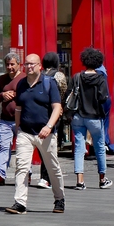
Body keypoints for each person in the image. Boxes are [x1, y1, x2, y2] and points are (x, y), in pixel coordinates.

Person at [5, 54, 65, 215]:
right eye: (27, 64)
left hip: (45, 133)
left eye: (33, 64)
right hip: (25, 132)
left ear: (40, 66)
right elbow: (18, 108)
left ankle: (59, 199)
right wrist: (18, 129)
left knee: (53, 168)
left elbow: (57, 108)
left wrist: (49, 126)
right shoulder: (22, 84)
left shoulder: (49, 83)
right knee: (22, 167)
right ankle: (20, 202)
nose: (29, 66)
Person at [69, 47, 113, 190]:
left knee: (79, 148)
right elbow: (103, 98)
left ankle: (80, 181)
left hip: (78, 116)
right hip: (95, 117)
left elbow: (69, 94)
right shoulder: (100, 79)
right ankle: (102, 179)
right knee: (100, 147)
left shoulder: (77, 77)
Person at [0, 53, 25, 185]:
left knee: (23, 148)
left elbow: (28, 95)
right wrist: (2, 95)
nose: (9, 67)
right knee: (4, 147)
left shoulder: (24, 78)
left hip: (21, 120)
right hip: (5, 120)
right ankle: (0, 174)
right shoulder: (2, 79)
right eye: (7, 65)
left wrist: (14, 94)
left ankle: (27, 173)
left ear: (18, 64)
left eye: (12, 64)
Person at [36, 53, 67, 189]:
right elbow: (63, 92)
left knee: (41, 144)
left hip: (40, 112)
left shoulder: (39, 75)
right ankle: (46, 178)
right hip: (53, 114)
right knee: (50, 146)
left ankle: (44, 177)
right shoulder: (59, 75)